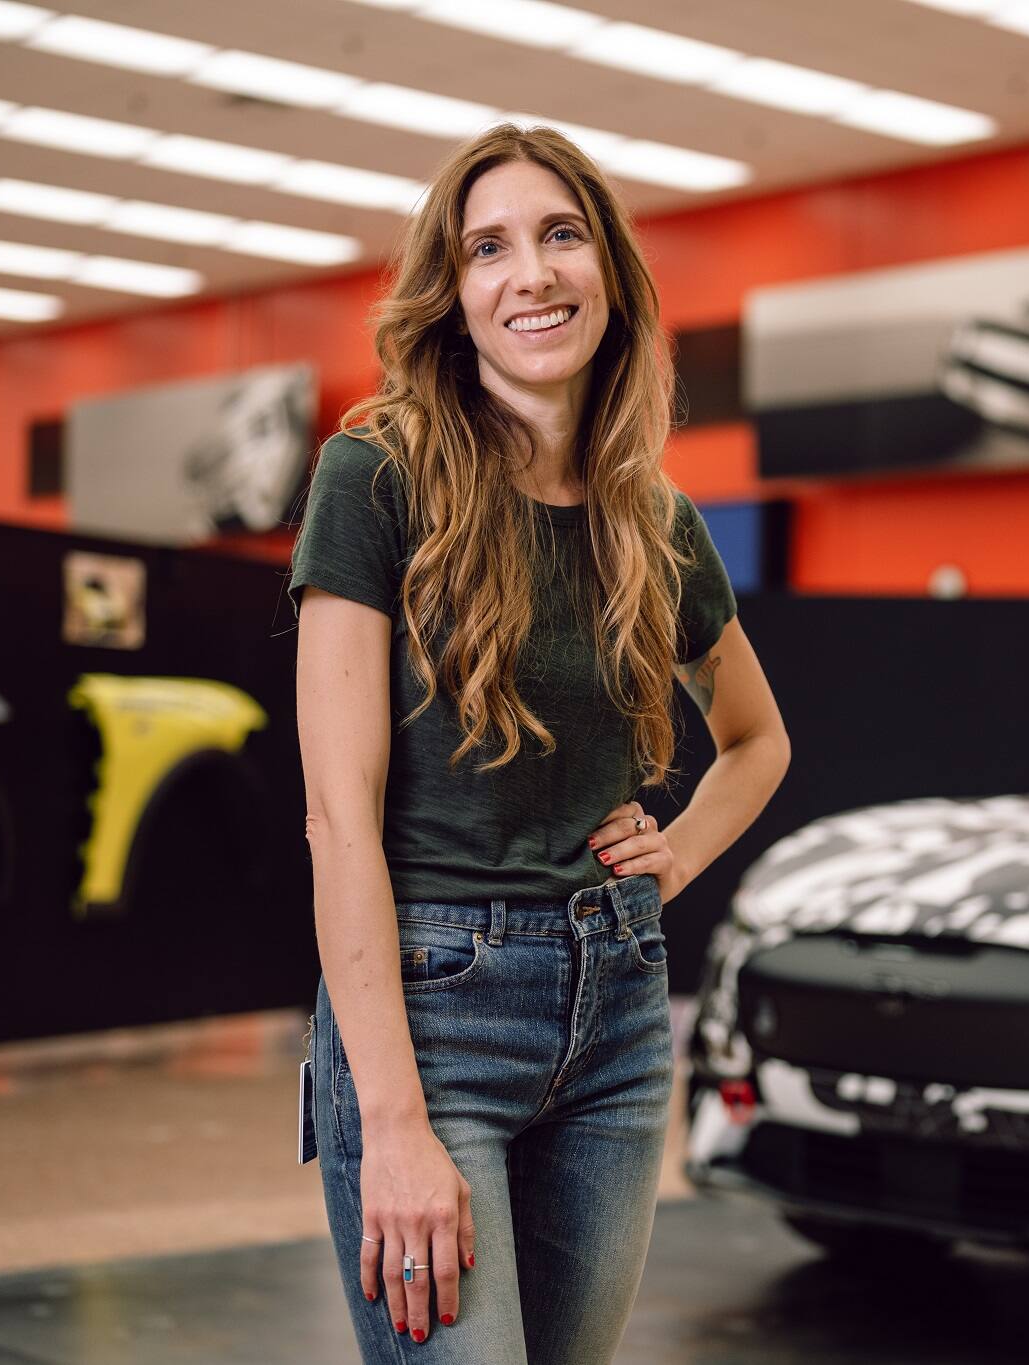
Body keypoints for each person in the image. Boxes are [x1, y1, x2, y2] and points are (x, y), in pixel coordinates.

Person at [287, 123, 791, 1362]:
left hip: (615, 1015)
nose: (533, 273)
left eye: (560, 234)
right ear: (454, 298)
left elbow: (756, 741)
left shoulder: (652, 518)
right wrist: (394, 1126)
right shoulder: (373, 475)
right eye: (489, 248)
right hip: (432, 1014)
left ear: (607, 271)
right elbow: (336, 819)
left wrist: (668, 860)